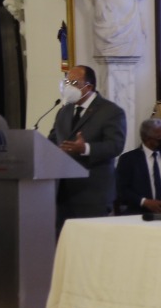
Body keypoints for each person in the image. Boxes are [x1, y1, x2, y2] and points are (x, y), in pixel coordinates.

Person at [48, 64, 128, 224]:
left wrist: (86, 148)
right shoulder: (64, 111)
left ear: (89, 86)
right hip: (63, 193)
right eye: (66, 83)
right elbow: (53, 139)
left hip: (92, 192)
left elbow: (115, 145)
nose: (68, 87)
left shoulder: (111, 111)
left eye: (73, 83)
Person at [115, 118, 161, 215]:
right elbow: (122, 190)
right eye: (160, 137)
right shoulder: (128, 159)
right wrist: (145, 202)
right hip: (139, 213)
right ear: (147, 139)